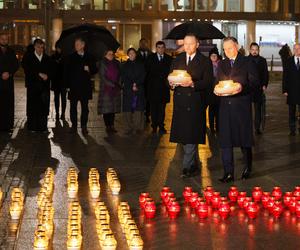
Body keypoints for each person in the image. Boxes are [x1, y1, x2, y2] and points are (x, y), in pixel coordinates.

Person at [168, 34, 213, 178]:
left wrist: (193, 83)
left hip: (195, 102)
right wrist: (172, 84)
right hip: (180, 103)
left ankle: (186, 167)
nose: (187, 46)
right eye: (185, 43)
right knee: (184, 137)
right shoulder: (178, 59)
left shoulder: (205, 61)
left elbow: (208, 82)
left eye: (191, 44)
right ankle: (193, 164)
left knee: (191, 137)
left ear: (197, 44)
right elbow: (169, 77)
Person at [216, 37, 259, 183]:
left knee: (244, 140)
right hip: (225, 107)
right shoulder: (221, 64)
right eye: (225, 49)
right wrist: (216, 89)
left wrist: (242, 88)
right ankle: (228, 172)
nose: (227, 51)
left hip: (241, 106)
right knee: (225, 141)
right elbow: (217, 82)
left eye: (230, 48)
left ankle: (248, 167)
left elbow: (255, 83)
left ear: (237, 46)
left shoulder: (247, 62)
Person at [64, 37, 98, 134]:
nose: (76, 46)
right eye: (75, 44)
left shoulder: (89, 56)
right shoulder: (71, 57)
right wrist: (67, 86)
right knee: (73, 107)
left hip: (85, 87)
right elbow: (66, 72)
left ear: (83, 45)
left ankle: (84, 126)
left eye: (78, 44)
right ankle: (74, 126)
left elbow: (95, 69)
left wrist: (89, 68)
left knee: (85, 108)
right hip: (73, 86)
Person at [22, 39, 53, 132]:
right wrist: (38, 74)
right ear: (35, 47)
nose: (40, 49)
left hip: (44, 87)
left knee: (43, 107)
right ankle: (32, 127)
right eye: (39, 47)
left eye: (42, 47)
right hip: (33, 87)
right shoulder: (28, 57)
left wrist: (48, 76)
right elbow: (27, 70)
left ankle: (43, 127)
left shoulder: (47, 58)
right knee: (32, 107)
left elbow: (53, 70)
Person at [145, 41, 172, 134]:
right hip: (153, 88)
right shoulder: (150, 58)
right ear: (156, 48)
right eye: (159, 47)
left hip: (164, 88)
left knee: (162, 109)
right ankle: (154, 126)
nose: (160, 49)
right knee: (153, 109)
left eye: (162, 47)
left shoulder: (169, 59)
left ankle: (161, 126)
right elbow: (147, 73)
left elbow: (171, 73)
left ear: (164, 48)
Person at [121, 48, 146, 135]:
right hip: (128, 89)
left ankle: (138, 127)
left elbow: (143, 75)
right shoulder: (124, 65)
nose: (131, 55)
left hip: (139, 89)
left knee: (138, 109)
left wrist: (136, 84)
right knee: (127, 109)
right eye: (130, 53)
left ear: (135, 54)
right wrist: (132, 85)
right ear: (128, 55)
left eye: (133, 53)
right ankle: (128, 128)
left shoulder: (141, 64)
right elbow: (123, 77)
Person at [98, 49, 121, 134]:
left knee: (112, 109)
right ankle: (108, 126)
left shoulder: (117, 63)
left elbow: (120, 74)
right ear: (105, 55)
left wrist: (118, 83)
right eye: (109, 54)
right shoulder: (102, 63)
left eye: (112, 54)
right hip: (106, 90)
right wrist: (112, 84)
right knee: (106, 109)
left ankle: (112, 125)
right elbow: (103, 77)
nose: (111, 55)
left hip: (115, 89)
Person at [248, 42, 269, 135]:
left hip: (259, 88)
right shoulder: (245, 60)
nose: (254, 51)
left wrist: (264, 84)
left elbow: (266, 74)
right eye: (252, 49)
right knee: (246, 109)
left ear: (258, 50)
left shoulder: (263, 60)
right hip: (248, 88)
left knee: (258, 110)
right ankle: (247, 127)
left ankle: (257, 128)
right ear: (250, 50)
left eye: (256, 50)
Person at [0, 32, 19, 132]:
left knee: (8, 104)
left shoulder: (11, 51)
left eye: (5, 39)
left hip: (8, 83)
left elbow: (16, 64)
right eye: (2, 38)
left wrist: (10, 73)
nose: (4, 40)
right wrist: (1, 74)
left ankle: (7, 125)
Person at [282, 43, 300, 136]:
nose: (297, 51)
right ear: (293, 50)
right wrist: (284, 89)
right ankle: (292, 129)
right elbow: (285, 76)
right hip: (291, 90)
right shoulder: (288, 61)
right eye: (295, 49)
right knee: (291, 112)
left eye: (298, 49)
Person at [137, 38, 153, 123]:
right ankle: (138, 114)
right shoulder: (135, 55)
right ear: (139, 44)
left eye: (145, 43)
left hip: (149, 81)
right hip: (139, 81)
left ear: (148, 44)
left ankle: (147, 115)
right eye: (142, 43)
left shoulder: (152, 55)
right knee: (139, 98)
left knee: (148, 99)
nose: (143, 45)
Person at [206, 47, 221, 134]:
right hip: (210, 91)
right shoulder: (207, 65)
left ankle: (218, 127)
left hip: (219, 91)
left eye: (215, 55)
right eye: (212, 55)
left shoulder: (221, 64)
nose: (214, 57)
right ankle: (212, 128)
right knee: (211, 110)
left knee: (218, 110)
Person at [51, 44, 66, 120]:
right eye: (57, 48)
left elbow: (67, 70)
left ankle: (63, 113)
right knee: (56, 98)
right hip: (56, 81)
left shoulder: (65, 57)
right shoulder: (53, 57)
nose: (59, 49)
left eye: (60, 48)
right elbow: (51, 69)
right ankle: (57, 113)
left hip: (63, 81)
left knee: (63, 98)